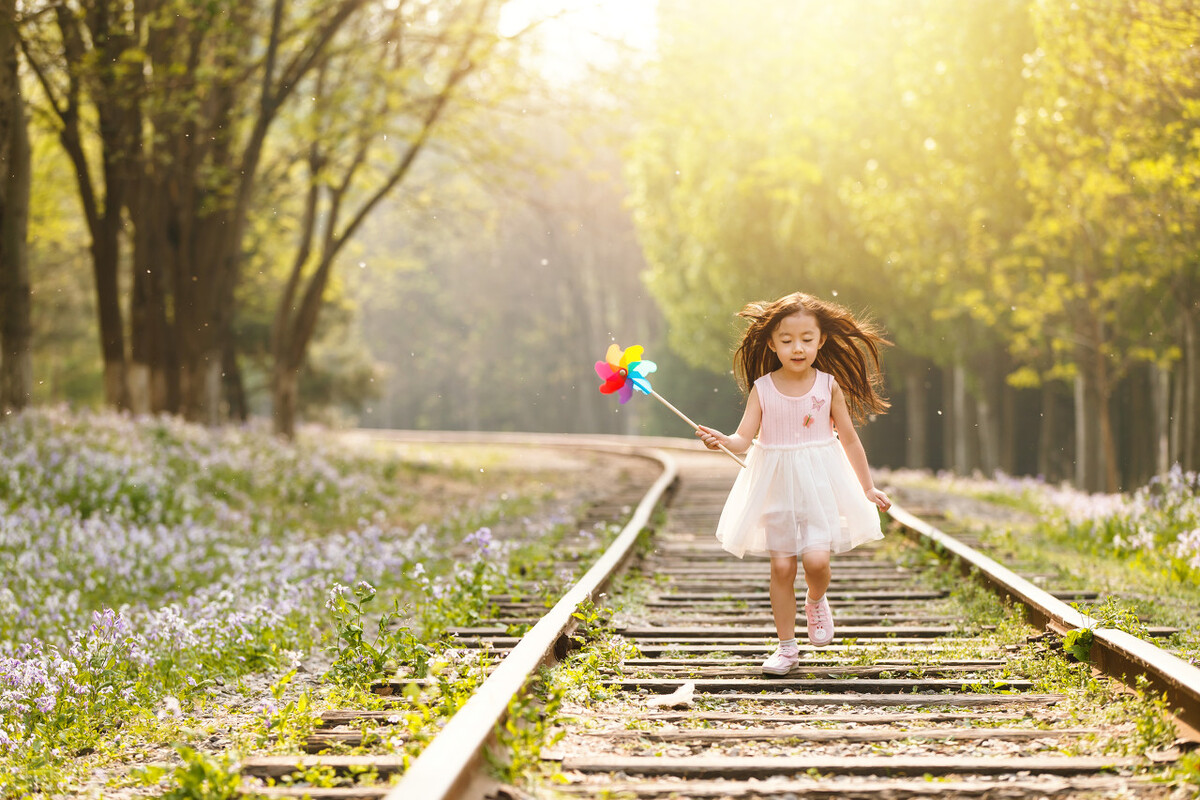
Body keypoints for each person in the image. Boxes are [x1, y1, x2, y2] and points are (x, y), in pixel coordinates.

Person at [695, 291, 892, 675]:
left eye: (806, 339)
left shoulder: (828, 386)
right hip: (775, 485)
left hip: (819, 485)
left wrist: (867, 488)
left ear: (821, 341)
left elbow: (849, 438)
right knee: (782, 569)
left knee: (817, 562)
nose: (797, 348)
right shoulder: (763, 388)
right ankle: (787, 648)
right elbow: (742, 439)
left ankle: (816, 600)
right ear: (772, 343)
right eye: (786, 341)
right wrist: (721, 440)